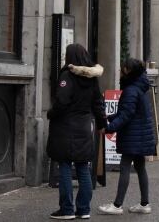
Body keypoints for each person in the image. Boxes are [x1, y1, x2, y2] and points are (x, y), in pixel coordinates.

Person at [47, 44, 106, 220]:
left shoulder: (67, 75)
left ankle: (66, 209)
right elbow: (98, 103)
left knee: (64, 165)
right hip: (84, 126)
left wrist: (51, 113)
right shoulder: (92, 78)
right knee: (83, 167)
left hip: (65, 126)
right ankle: (83, 209)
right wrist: (102, 123)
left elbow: (62, 102)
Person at [98, 58, 156, 216]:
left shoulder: (131, 89)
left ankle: (117, 205)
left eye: (122, 68)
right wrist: (110, 117)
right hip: (141, 135)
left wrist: (109, 128)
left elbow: (126, 115)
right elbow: (128, 111)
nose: (120, 71)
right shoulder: (140, 87)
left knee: (125, 166)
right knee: (140, 167)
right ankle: (145, 203)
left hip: (133, 135)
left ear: (128, 71)